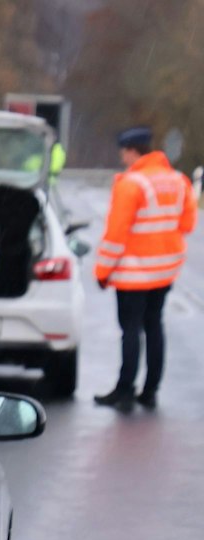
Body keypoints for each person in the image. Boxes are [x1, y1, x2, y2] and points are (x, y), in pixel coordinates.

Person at [94, 126, 197, 410]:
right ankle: (150, 390)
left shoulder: (131, 184)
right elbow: (187, 224)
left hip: (132, 275)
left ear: (131, 151)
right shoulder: (179, 180)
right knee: (154, 327)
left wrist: (103, 272)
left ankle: (124, 389)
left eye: (123, 153)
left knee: (130, 331)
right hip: (164, 273)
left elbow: (116, 234)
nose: (122, 158)